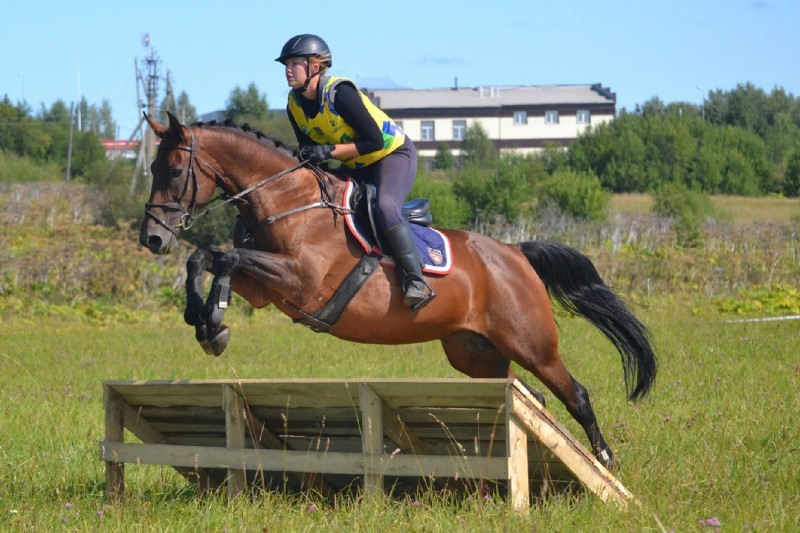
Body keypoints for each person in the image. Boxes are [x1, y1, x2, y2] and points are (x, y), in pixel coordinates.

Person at [276, 34, 433, 309]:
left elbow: (373, 141)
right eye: (285, 64)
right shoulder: (294, 104)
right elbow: (310, 154)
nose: (288, 69)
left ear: (315, 66)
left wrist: (327, 151)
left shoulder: (340, 93)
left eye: (294, 63)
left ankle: (416, 280)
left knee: (385, 206)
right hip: (356, 163)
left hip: (392, 154)